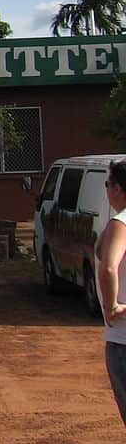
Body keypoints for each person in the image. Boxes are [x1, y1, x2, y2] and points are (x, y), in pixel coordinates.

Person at [96, 158, 126, 428]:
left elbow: (108, 268)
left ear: (117, 188)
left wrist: (111, 306)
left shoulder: (120, 223)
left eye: (107, 184)